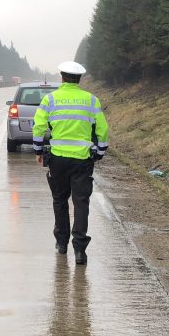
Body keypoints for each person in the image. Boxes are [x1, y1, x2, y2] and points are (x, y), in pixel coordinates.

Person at [32, 61, 108, 265]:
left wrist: (38, 150)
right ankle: (80, 251)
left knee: (59, 200)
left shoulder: (50, 100)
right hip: (82, 160)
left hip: (58, 160)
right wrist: (100, 152)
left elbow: (38, 127)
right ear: (79, 79)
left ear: (62, 78)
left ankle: (62, 243)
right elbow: (102, 129)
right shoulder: (91, 100)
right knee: (81, 203)